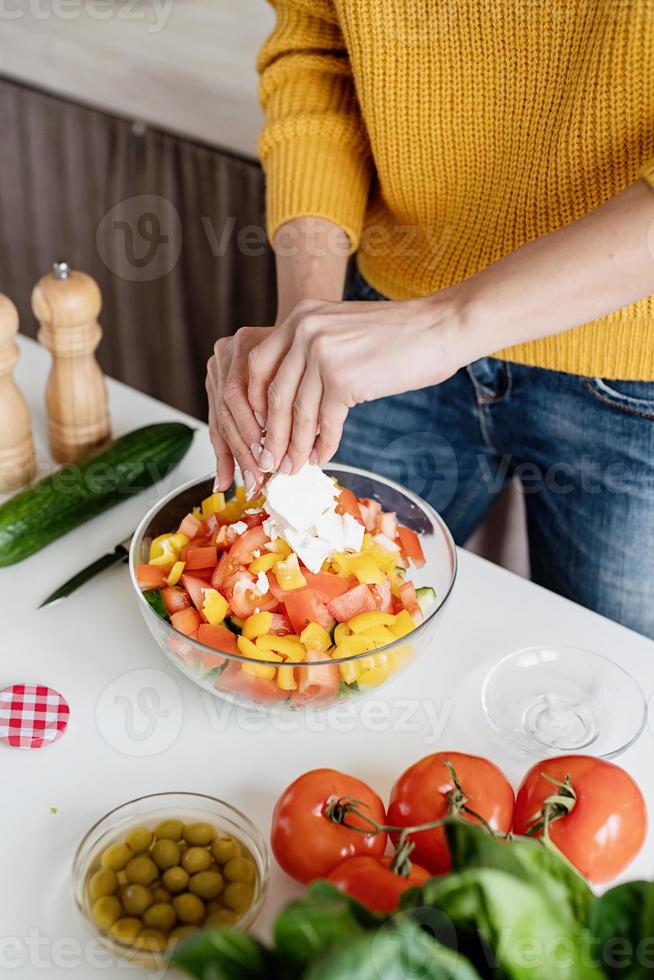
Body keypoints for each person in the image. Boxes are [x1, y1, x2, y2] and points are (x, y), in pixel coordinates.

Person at [206, 1, 654, 639]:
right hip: (380, 327)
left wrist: (446, 326)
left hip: (634, 371)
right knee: (323, 637)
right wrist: (308, 321)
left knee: (619, 683)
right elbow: (318, 49)